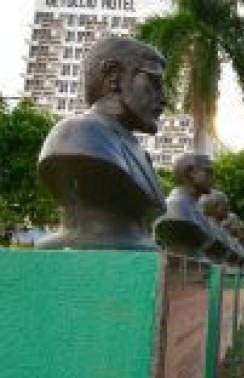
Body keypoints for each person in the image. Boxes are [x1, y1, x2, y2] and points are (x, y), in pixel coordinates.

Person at [36, 37, 167, 250]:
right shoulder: (78, 135)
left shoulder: (139, 154)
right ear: (113, 75)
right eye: (154, 82)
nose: (163, 98)